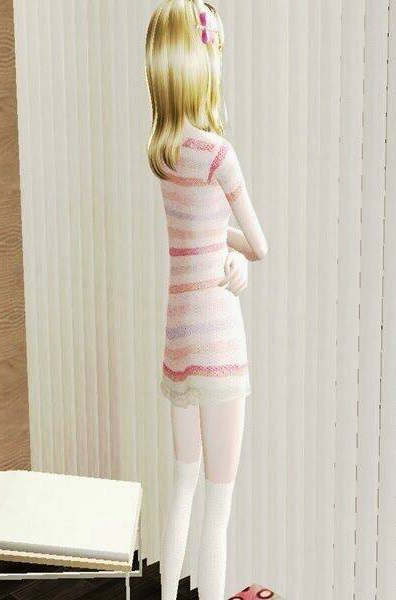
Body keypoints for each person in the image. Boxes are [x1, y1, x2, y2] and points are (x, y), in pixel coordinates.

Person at [145, 2, 267, 599]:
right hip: (218, 339)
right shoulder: (217, 154)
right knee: (219, 508)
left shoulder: (164, 153)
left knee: (182, 490)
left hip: (178, 338)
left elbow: (197, 235)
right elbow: (260, 245)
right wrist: (236, 253)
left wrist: (221, 245)